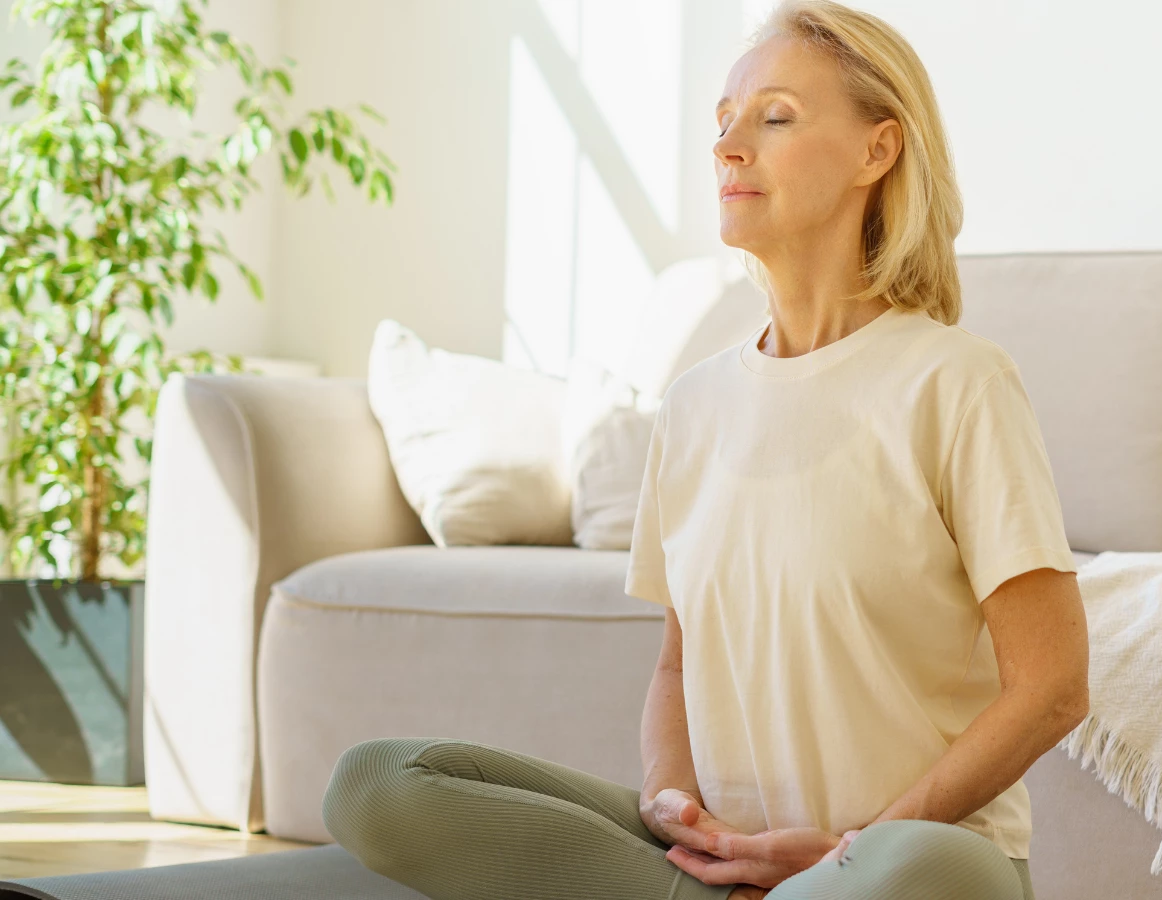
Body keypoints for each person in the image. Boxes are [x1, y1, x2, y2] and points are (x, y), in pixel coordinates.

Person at [321, 2, 1090, 897]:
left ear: (878, 152)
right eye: (722, 123)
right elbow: (677, 665)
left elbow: (1054, 686)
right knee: (378, 785)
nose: (728, 147)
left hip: (901, 862)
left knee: (918, 869)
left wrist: (848, 846)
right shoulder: (693, 405)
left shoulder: (956, 383)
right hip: (729, 861)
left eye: (775, 117)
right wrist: (674, 806)